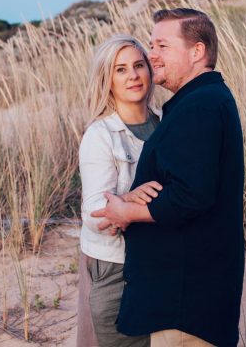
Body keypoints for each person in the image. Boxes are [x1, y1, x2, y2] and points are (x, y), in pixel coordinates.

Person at [92, 8, 245, 347]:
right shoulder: (198, 102)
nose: (151, 55)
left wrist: (126, 211)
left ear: (197, 52)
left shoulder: (199, 106)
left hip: (186, 305)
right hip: (187, 296)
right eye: (151, 45)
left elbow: (191, 195)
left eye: (162, 45)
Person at [77, 34, 162, 347]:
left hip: (163, 258)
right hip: (117, 265)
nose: (134, 75)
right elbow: (94, 215)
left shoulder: (168, 122)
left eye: (139, 65)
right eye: (121, 69)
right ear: (107, 79)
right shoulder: (100, 135)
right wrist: (128, 200)